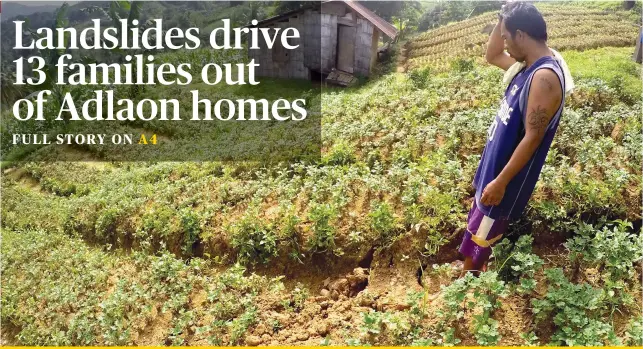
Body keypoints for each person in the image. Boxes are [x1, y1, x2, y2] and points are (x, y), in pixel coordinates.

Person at [458, 2, 569, 277]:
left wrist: (500, 182)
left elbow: (532, 138)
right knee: (477, 232)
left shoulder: (544, 77)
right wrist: (503, 16)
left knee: (480, 240)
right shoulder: (525, 67)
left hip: (503, 180)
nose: (504, 44)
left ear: (521, 35)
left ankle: (466, 292)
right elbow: (492, 54)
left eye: (507, 37)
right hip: (494, 172)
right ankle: (472, 276)